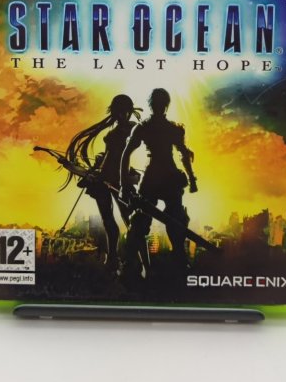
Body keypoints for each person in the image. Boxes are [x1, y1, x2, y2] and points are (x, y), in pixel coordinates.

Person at [119, 88, 198, 280]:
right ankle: (139, 265)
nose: (159, 107)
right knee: (147, 223)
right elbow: (184, 155)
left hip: (159, 178)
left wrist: (124, 185)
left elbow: (126, 154)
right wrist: (191, 180)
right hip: (163, 177)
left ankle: (177, 262)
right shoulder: (164, 129)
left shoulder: (150, 128)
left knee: (171, 223)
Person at [61, 94, 140, 271]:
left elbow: (125, 153)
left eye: (124, 112)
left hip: (120, 179)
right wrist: (98, 161)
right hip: (104, 177)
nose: (121, 115)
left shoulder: (133, 128)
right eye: (118, 111)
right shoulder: (114, 132)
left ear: (129, 111)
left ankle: (133, 261)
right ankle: (113, 258)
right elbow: (109, 156)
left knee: (129, 220)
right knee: (108, 222)